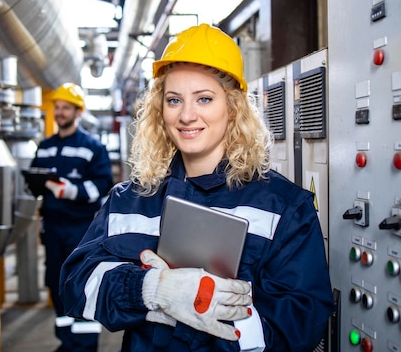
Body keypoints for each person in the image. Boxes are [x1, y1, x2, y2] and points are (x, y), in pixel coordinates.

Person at [60, 24, 334, 351]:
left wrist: (211, 308)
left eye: (204, 99)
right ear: (160, 111)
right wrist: (150, 289)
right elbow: (76, 285)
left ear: (232, 108)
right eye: (174, 100)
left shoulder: (283, 207)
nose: (187, 115)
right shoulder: (129, 201)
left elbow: (303, 320)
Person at [29, 82, 114, 352]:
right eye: (57, 107)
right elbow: (34, 180)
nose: (60, 112)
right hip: (53, 228)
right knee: (56, 285)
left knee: (80, 285)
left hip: (81, 229)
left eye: (66, 108)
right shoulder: (44, 147)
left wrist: (71, 191)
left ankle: (86, 345)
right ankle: (67, 343)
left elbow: (103, 185)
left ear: (78, 112)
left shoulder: (92, 147)